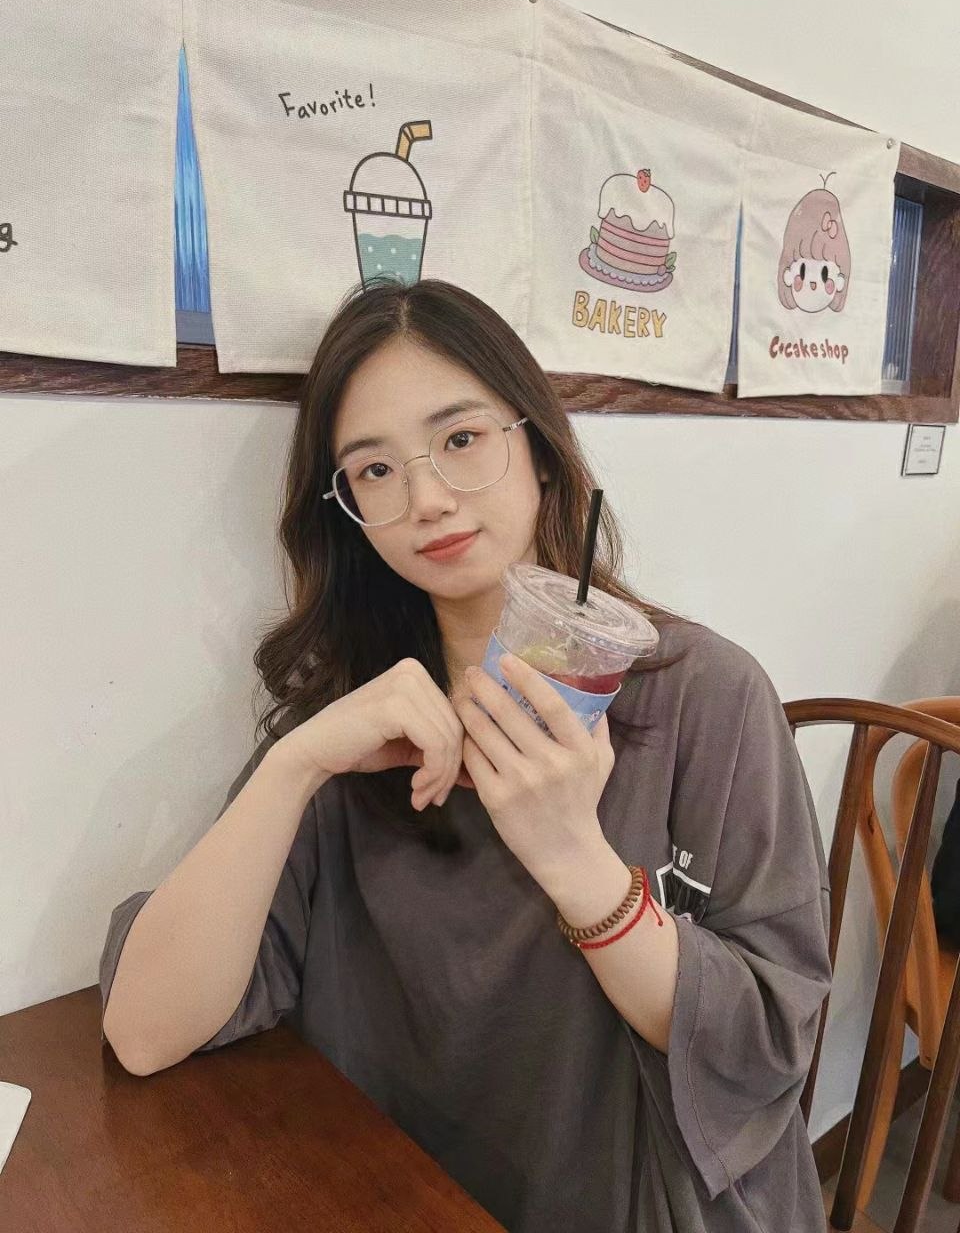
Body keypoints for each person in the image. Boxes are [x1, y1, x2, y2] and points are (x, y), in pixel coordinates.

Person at [99, 278, 832, 1233]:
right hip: (395, 1195)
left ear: (539, 450)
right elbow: (145, 1033)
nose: (429, 500)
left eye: (461, 439)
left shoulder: (706, 695)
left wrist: (575, 860)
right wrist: (294, 766)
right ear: (347, 509)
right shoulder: (357, 721)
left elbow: (767, 1042)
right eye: (374, 469)